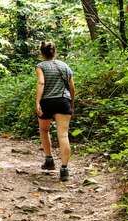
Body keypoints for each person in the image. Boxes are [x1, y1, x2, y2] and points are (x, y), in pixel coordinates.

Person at [35, 41, 75, 182]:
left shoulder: (40, 66)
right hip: (63, 100)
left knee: (44, 130)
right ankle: (64, 169)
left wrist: (38, 101)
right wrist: (72, 102)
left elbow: (41, 83)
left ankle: (49, 160)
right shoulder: (64, 66)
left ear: (42, 53)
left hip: (47, 101)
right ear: (54, 52)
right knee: (63, 135)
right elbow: (71, 87)